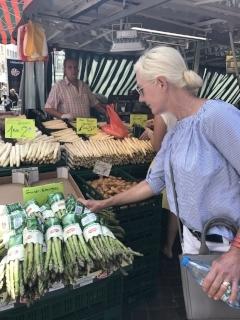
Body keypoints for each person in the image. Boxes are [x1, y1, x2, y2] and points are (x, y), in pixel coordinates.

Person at [80, 46, 240, 304]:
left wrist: (236, 254)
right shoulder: (176, 131)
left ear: (162, 83)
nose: (140, 98)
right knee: (205, 310)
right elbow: (152, 182)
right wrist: (104, 203)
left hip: (228, 244)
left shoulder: (217, 117)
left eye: (141, 89)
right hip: (195, 242)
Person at [140, 114, 178, 258]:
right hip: (181, 162)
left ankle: (157, 243)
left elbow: (157, 146)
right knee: (174, 208)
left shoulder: (162, 113)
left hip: (165, 164)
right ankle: (169, 246)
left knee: (156, 201)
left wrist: (150, 132)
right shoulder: (185, 109)